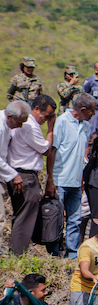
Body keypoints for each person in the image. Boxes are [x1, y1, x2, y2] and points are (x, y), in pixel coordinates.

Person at [7, 95, 56, 255]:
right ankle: (18, 254)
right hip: (26, 175)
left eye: (50, 117)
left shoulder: (25, 124)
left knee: (21, 214)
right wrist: (50, 128)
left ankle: (16, 252)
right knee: (25, 216)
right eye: (46, 115)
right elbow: (46, 149)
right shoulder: (30, 126)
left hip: (19, 173)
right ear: (36, 109)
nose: (46, 119)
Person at [49, 93, 95, 257]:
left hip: (76, 181)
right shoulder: (62, 121)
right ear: (83, 109)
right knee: (56, 219)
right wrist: (50, 179)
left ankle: (72, 253)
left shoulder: (86, 126)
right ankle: (54, 252)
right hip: (60, 179)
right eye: (91, 111)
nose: (93, 114)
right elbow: (52, 151)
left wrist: (81, 178)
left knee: (75, 219)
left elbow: (82, 154)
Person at [0, 101, 29, 243]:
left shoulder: (6, 126)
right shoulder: (0, 127)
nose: (20, 126)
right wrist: (13, 175)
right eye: (19, 122)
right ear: (9, 116)